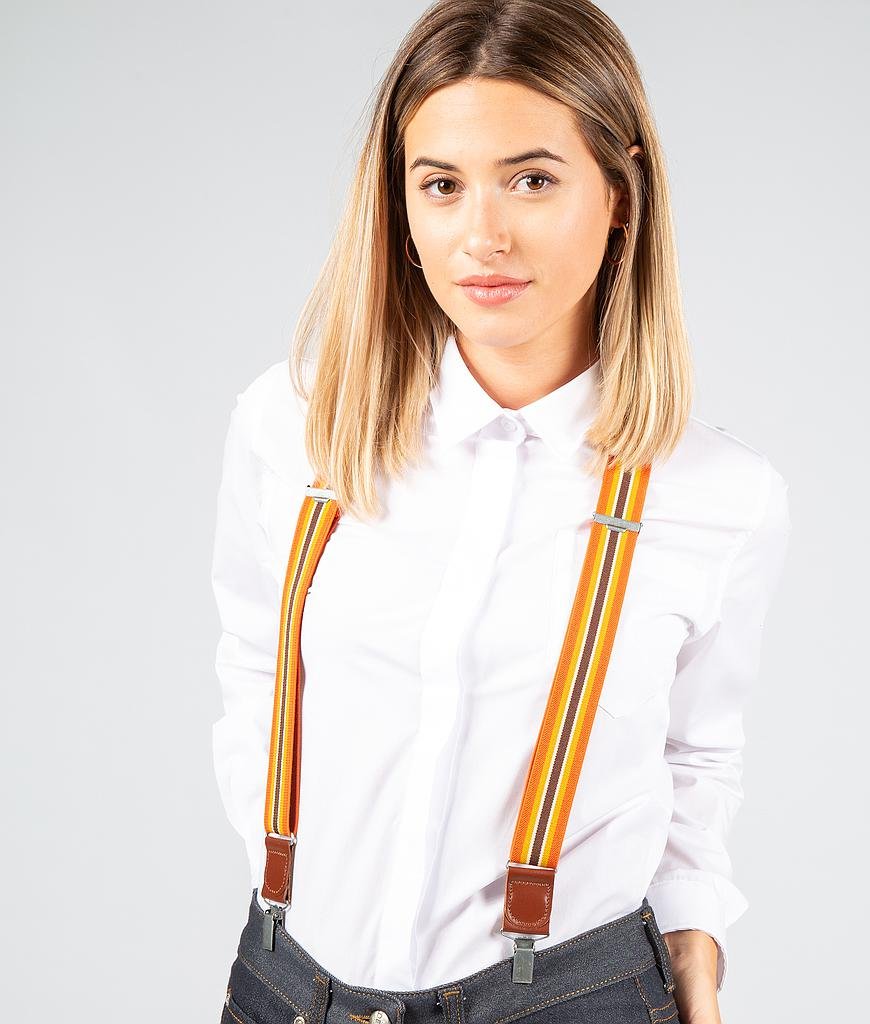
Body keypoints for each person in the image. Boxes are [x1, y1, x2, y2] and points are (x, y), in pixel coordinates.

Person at [210, 2, 792, 1022]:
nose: (483, 236)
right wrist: (290, 877)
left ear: (620, 194)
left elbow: (695, 754)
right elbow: (258, 664)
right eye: (442, 185)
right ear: (401, 207)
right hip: (293, 984)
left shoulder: (719, 496)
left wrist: (696, 939)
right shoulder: (293, 426)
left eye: (532, 180)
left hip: (572, 995)